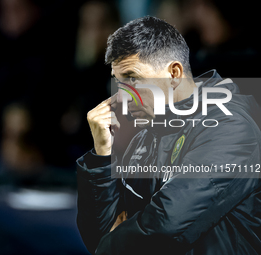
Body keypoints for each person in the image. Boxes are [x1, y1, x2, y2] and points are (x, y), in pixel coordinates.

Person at [76, 16, 261, 255]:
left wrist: (111, 241)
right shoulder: (147, 134)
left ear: (174, 73)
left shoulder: (232, 129)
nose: (121, 97)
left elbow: (163, 228)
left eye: (133, 78)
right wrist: (102, 155)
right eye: (118, 82)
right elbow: (98, 237)